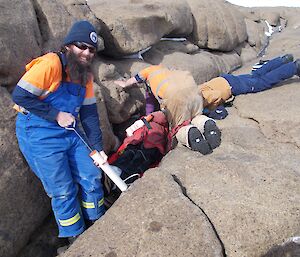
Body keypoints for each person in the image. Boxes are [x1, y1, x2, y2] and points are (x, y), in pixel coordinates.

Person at [12, 20, 107, 240]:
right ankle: (74, 237)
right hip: (38, 132)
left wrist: (98, 149)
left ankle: (98, 223)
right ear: (68, 46)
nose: (86, 53)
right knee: (63, 190)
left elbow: (90, 115)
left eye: (91, 50)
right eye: (81, 46)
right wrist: (55, 115)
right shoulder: (51, 64)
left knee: (92, 175)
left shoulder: (86, 77)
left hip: (70, 132)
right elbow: (20, 95)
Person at [114, 67, 222, 155]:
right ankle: (205, 123)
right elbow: (151, 103)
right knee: (196, 115)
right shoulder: (168, 72)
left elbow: (148, 103)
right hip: (194, 90)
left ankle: (188, 133)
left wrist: (125, 83)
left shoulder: (147, 72)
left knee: (178, 127)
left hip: (176, 97)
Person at [200, 54, 300, 119]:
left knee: (262, 82)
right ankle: (282, 61)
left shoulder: (198, 102)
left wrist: (210, 111)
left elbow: (216, 96)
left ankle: (294, 67)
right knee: (255, 75)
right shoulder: (192, 91)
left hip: (232, 85)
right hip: (224, 79)